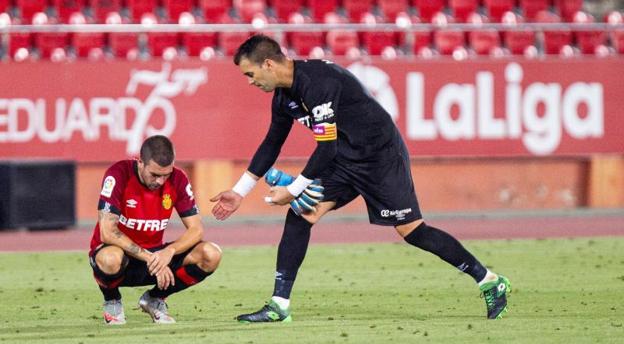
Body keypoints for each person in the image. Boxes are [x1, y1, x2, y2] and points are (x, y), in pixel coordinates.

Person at [210, 35, 510, 322]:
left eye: (250, 74)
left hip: (380, 157)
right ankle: (279, 305)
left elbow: (324, 148)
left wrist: (295, 187)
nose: (250, 82)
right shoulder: (282, 98)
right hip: (343, 158)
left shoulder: (319, 83)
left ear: (268, 65)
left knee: (413, 232)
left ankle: (489, 280)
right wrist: (240, 191)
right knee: (301, 214)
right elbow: (272, 143)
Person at [89, 135, 222, 325]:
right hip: (120, 258)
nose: (160, 181)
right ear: (140, 162)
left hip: (155, 257)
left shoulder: (178, 179)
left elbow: (196, 230)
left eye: (165, 175)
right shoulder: (118, 174)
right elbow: (107, 232)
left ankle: (154, 299)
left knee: (211, 254)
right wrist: (151, 257)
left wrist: (169, 252)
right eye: (155, 175)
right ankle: (112, 300)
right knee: (110, 258)